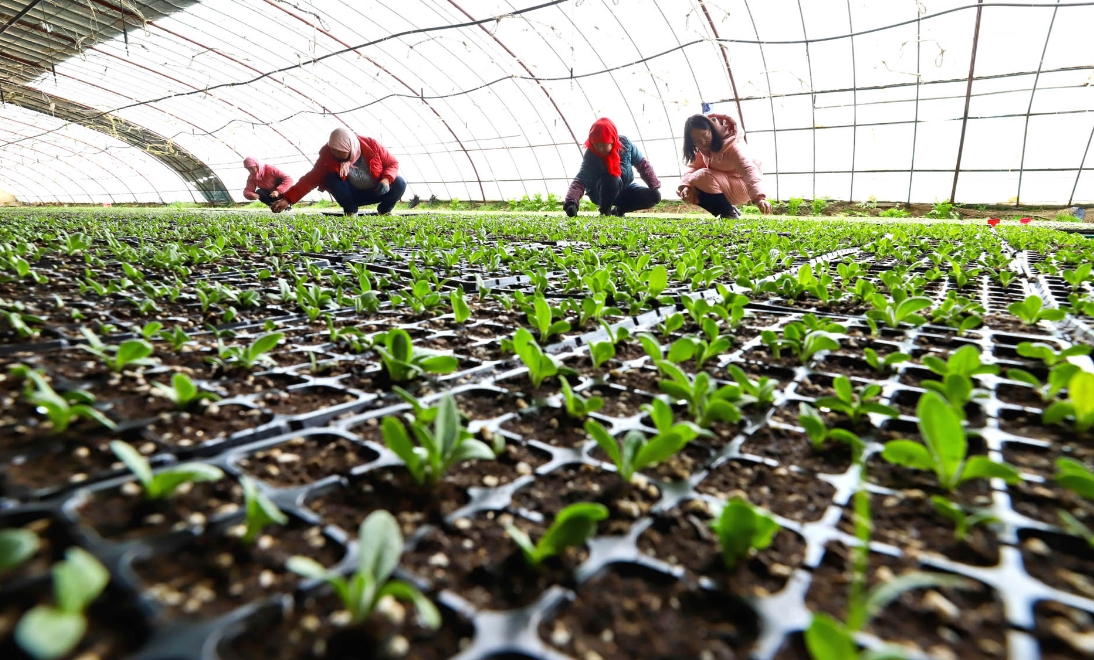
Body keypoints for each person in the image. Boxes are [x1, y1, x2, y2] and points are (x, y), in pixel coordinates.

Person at [271, 128, 405, 216]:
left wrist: (386, 179)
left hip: (377, 191)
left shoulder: (372, 145)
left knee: (399, 183)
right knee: (330, 178)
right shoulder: (328, 156)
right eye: (333, 149)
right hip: (352, 195)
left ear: (350, 147)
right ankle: (350, 211)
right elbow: (310, 179)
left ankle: (384, 211)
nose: (335, 153)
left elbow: (392, 163)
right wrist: (287, 199)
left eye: (340, 150)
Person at [677, 113, 773, 218]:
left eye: (705, 135)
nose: (702, 142)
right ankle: (727, 209)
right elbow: (694, 167)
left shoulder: (733, 147)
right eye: (696, 141)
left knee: (701, 176)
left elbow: (748, 170)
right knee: (689, 190)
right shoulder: (704, 148)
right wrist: (685, 186)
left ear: (712, 129)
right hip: (724, 183)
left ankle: (728, 213)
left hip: (744, 186)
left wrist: (759, 197)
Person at [563, 118, 661, 217]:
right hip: (600, 192)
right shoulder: (591, 154)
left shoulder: (626, 145)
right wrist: (571, 202)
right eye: (596, 145)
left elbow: (643, 164)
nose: (600, 149)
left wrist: (654, 185)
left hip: (624, 188)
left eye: (604, 145)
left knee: (654, 197)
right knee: (612, 178)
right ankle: (605, 211)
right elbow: (581, 179)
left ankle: (619, 210)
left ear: (613, 141)